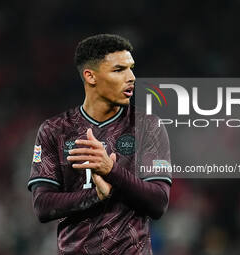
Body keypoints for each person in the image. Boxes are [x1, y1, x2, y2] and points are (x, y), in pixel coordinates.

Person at [27, 34, 172, 254]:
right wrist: (96, 196)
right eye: (119, 70)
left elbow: (159, 202)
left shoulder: (148, 126)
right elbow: (42, 206)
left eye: (131, 68)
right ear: (90, 76)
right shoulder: (54, 130)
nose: (131, 77)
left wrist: (111, 170)